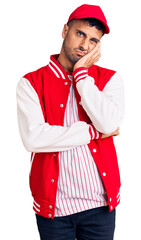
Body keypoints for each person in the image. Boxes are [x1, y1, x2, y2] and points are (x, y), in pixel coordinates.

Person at [16, 4, 124, 240]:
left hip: (100, 207)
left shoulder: (109, 79)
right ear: (65, 30)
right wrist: (92, 133)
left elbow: (108, 124)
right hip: (54, 209)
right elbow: (34, 138)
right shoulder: (31, 82)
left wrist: (82, 74)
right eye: (80, 34)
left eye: (94, 40)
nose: (85, 45)